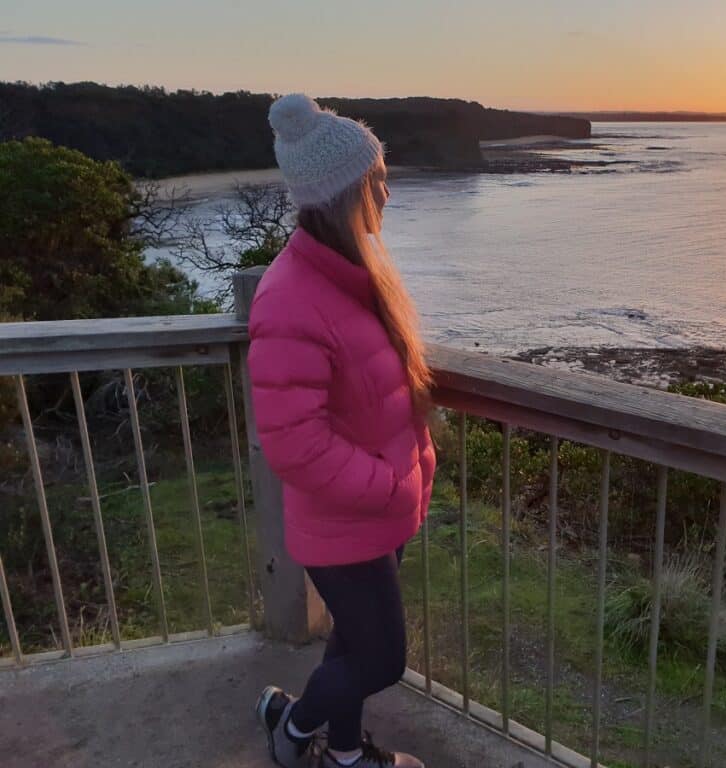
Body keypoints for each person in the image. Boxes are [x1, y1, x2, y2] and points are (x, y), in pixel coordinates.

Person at [250, 93, 436, 768]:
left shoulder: (353, 277)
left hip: (374, 511)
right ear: (345, 194)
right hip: (346, 520)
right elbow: (294, 442)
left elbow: (379, 398)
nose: (387, 190)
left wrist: (413, 463)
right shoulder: (289, 296)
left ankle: (348, 755)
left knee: (352, 647)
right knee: (381, 658)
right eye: (376, 179)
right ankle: (294, 729)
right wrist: (388, 484)